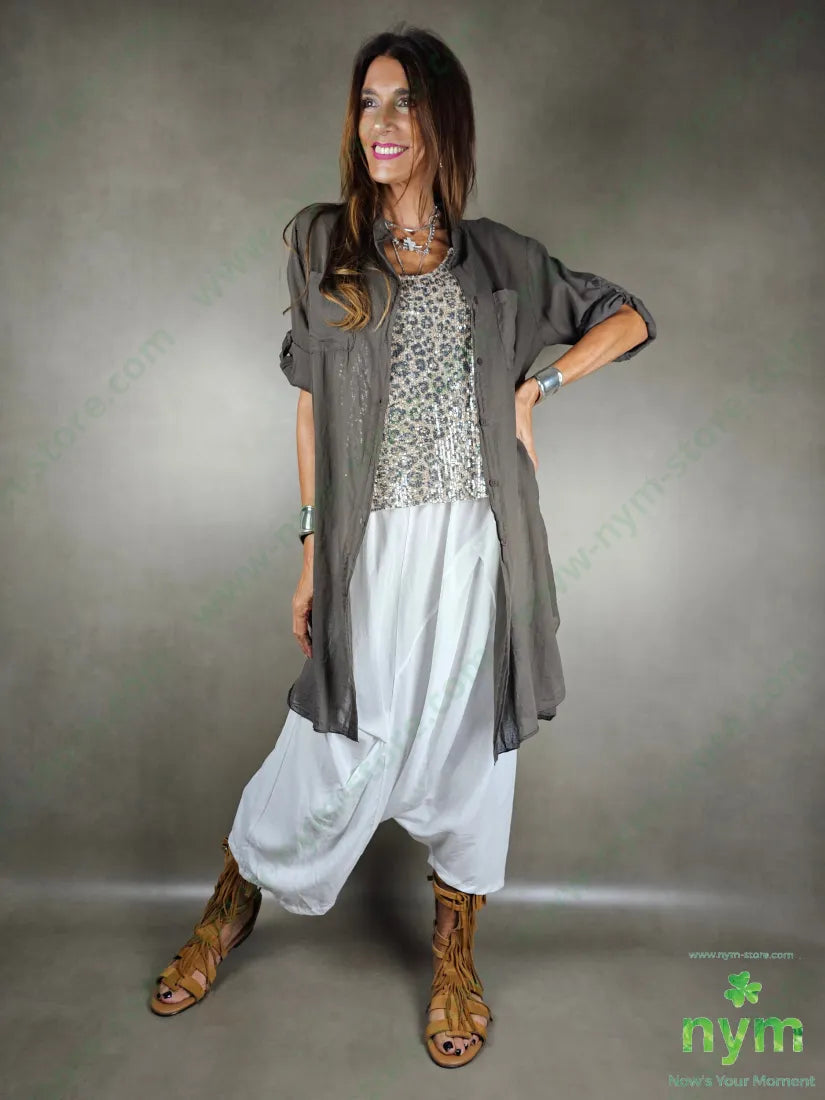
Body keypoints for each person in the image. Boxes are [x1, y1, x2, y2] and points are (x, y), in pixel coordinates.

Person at [149, 24, 656, 1069]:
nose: (380, 123)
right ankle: (231, 905)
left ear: (444, 123)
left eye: (404, 103)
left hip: (480, 546)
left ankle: (455, 954)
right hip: (369, 547)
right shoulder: (322, 242)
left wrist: (536, 387)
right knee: (334, 741)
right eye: (369, 102)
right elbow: (308, 404)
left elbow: (628, 318)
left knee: (472, 747)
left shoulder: (502, 258)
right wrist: (307, 550)